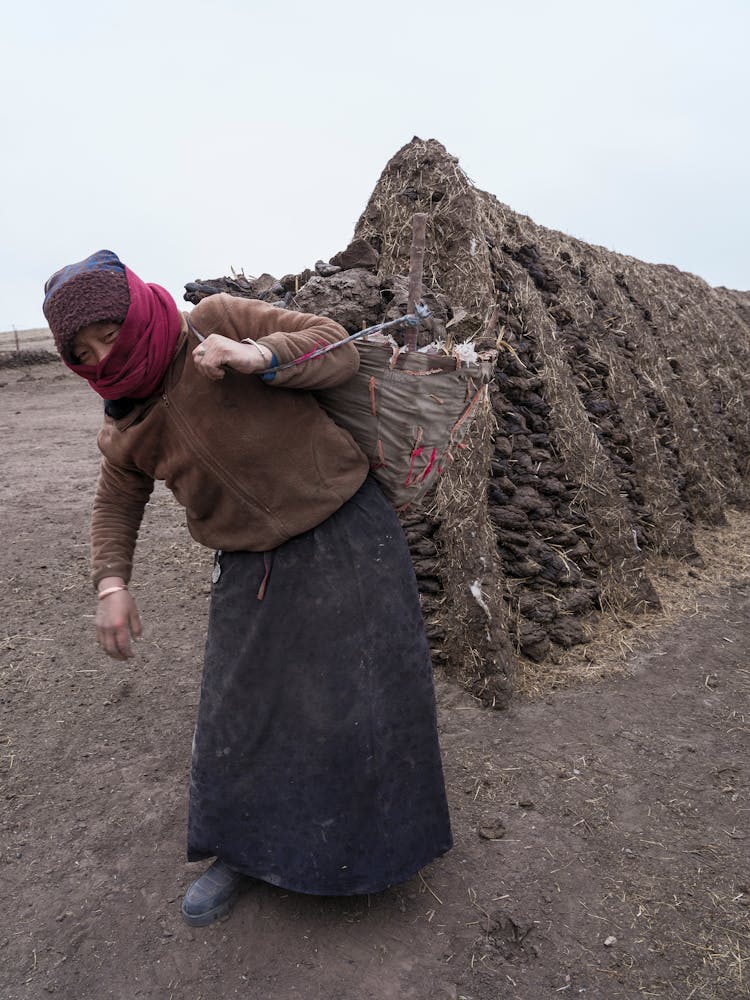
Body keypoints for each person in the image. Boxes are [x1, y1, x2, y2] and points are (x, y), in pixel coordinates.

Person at [43, 249, 452, 926]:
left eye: (107, 334)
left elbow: (335, 348)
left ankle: (384, 853)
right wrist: (110, 582)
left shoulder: (210, 322)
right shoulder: (125, 418)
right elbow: (117, 499)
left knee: (366, 698)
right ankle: (241, 851)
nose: (101, 357)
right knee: (241, 713)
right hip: (248, 563)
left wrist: (259, 355)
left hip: (345, 527)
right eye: (83, 351)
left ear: (133, 310)